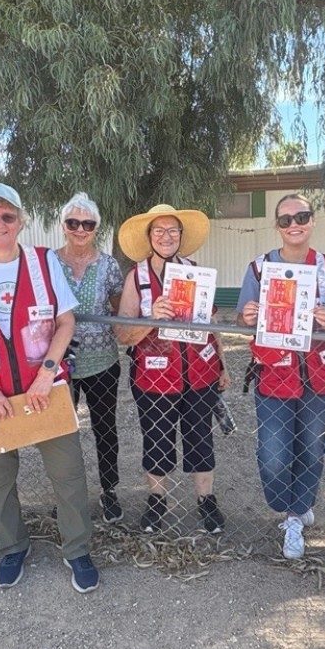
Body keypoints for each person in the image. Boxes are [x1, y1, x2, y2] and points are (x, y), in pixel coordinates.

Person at [0, 183, 99, 593]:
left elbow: (65, 323)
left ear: (21, 221)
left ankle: (77, 549)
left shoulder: (44, 264)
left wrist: (47, 373)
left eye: (8, 216)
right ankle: (12, 547)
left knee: (69, 476)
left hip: (45, 393)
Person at [237, 194, 325, 559]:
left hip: (320, 376)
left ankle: (296, 515)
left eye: (301, 216)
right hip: (274, 374)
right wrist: (249, 316)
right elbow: (242, 319)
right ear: (277, 226)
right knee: (273, 455)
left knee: (310, 448)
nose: (293, 224)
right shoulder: (259, 269)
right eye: (285, 220)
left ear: (312, 220)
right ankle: (288, 504)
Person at [115, 204, 229, 534]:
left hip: (199, 375)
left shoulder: (195, 271)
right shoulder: (136, 278)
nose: (167, 237)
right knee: (157, 439)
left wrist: (221, 364)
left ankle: (206, 500)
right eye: (159, 231)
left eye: (173, 231)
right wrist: (151, 320)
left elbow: (212, 323)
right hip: (154, 379)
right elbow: (123, 334)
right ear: (149, 237)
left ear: (181, 236)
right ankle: (157, 500)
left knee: (201, 438)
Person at [55, 192, 124, 524]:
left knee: (104, 428)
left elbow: (120, 309)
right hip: (59, 365)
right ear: (64, 225)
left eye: (88, 223)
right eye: (73, 222)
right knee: (60, 434)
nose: (80, 229)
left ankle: (109, 491)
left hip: (102, 363)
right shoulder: (47, 263)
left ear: (96, 227)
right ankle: (67, 496)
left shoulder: (109, 265)